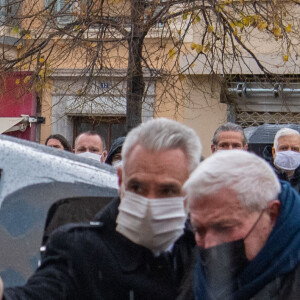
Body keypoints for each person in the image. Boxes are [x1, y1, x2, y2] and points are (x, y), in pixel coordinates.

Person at [2, 118, 202, 300]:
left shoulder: (207, 252)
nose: (149, 202)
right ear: (121, 179)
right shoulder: (79, 251)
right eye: (137, 187)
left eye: (167, 191)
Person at [183, 150, 300, 300]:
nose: (209, 244)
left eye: (225, 228)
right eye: (199, 231)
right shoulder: (196, 269)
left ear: (271, 214)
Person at [271, 127, 300, 193]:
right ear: (274, 152)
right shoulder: (262, 177)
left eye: (294, 149)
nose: (289, 154)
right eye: (284, 148)